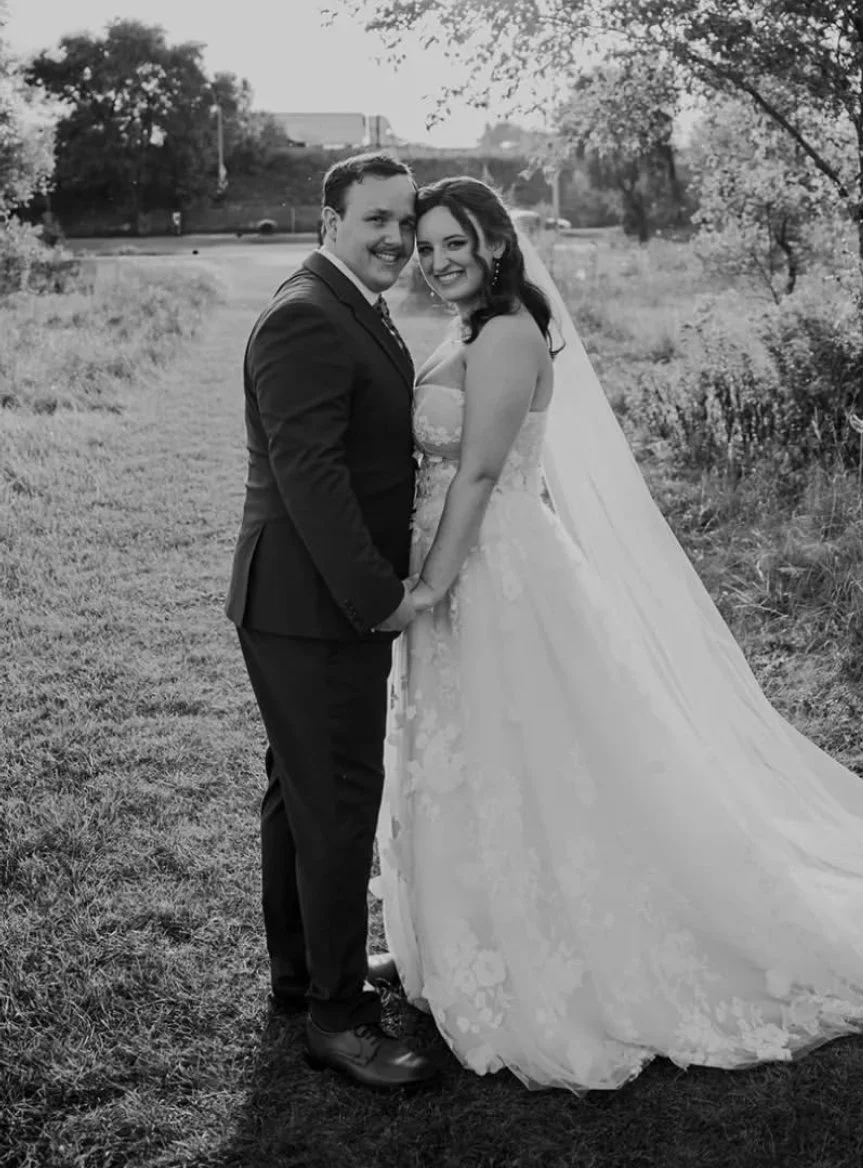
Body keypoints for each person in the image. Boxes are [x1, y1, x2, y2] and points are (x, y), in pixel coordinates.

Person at [375, 177, 863, 1092]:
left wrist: (427, 586)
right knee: (492, 759)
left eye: (453, 241)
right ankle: (482, 933)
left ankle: (564, 946)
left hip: (490, 575)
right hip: (472, 577)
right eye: (425, 246)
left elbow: (479, 477)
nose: (437, 259)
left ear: (496, 244)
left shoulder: (503, 334)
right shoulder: (463, 329)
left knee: (528, 757)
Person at [225, 151, 438, 1089]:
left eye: (406, 219)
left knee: (301, 794)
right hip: (315, 607)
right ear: (330, 221)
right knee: (338, 802)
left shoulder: (347, 300)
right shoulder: (310, 316)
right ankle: (338, 1020)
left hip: (301, 603)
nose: (396, 237)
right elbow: (311, 481)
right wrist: (380, 598)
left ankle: (306, 975)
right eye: (376, 221)